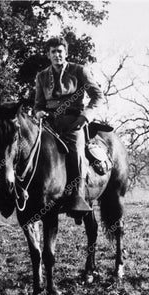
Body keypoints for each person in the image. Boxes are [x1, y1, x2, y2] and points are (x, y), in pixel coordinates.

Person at [34, 36, 104, 219]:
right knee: (29, 148)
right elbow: (38, 104)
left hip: (74, 122)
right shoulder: (41, 76)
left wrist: (85, 116)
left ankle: (77, 198)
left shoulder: (79, 71)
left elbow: (97, 96)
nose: (57, 55)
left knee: (75, 154)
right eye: (53, 52)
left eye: (60, 51)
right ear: (48, 55)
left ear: (66, 52)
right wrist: (38, 112)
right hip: (49, 123)